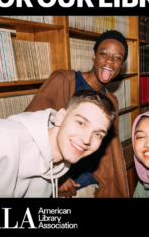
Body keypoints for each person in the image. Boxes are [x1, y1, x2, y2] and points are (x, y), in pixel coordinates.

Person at [25, 30, 129, 198]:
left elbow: (109, 152)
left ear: (121, 65)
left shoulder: (112, 100)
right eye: (104, 54)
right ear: (94, 56)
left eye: (117, 58)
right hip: (54, 186)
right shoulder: (63, 81)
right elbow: (29, 130)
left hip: (90, 184)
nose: (110, 61)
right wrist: (58, 174)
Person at [0, 89, 117, 198]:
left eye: (98, 134)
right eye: (81, 123)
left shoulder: (59, 166)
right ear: (60, 117)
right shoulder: (1, 138)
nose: (87, 140)